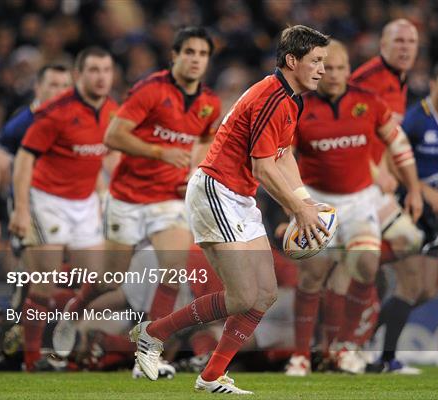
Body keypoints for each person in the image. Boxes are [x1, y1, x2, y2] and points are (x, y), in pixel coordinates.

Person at [129, 25, 331, 394]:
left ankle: (211, 376)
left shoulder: (290, 99)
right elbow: (263, 168)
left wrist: (303, 200)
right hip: (216, 192)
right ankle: (152, 333)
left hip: (238, 197)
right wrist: (297, 212)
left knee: (265, 294)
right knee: (241, 296)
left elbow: (283, 158)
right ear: (292, 60)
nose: (322, 69)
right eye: (316, 61)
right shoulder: (272, 98)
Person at [66, 27, 221, 325]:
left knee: (173, 272)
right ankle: (77, 307)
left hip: (169, 198)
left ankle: (151, 347)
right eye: (189, 52)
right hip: (129, 196)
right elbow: (113, 136)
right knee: (111, 280)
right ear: (174, 55)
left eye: (203, 54)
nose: (196, 60)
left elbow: (204, 140)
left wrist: (193, 170)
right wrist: (160, 153)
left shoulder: (209, 103)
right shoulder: (151, 90)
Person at [284, 40, 422, 376]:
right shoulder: (299, 106)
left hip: (361, 201)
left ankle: (344, 348)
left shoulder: (368, 102)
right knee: (312, 276)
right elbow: (283, 157)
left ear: (349, 69)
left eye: (340, 68)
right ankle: (301, 355)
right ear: (317, 68)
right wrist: (294, 203)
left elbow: (398, 144)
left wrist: (414, 188)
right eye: (327, 67)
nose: (333, 74)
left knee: (366, 265)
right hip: (316, 201)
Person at [8, 47, 117, 371]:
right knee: (45, 282)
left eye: (107, 70)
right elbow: (24, 159)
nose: (101, 77)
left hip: (84, 202)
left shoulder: (113, 110)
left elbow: (110, 154)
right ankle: (31, 359)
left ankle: (72, 311)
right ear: (78, 76)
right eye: (94, 70)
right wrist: (22, 209)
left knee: (104, 278)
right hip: (47, 199)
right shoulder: (56, 112)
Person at [368, 59, 438, 372]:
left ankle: (359, 337)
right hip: (406, 206)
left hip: (431, 213)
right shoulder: (415, 118)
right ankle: (386, 359)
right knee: (408, 286)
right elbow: (393, 157)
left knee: (425, 291)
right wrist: (421, 188)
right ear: (434, 83)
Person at [346, 18, 427, 374]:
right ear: (382, 43)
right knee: (407, 269)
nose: (406, 47)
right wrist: (373, 168)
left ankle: (364, 348)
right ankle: (355, 347)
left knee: (409, 263)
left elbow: (385, 137)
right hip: (357, 188)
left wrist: (397, 177)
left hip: (378, 190)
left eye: (411, 41)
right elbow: (342, 129)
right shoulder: (368, 80)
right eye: (399, 41)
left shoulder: (398, 80)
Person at [0, 65, 71, 241]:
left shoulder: (77, 121)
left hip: (71, 205)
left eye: (65, 86)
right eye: (53, 85)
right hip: (30, 206)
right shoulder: (23, 123)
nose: (60, 92)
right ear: (38, 87)